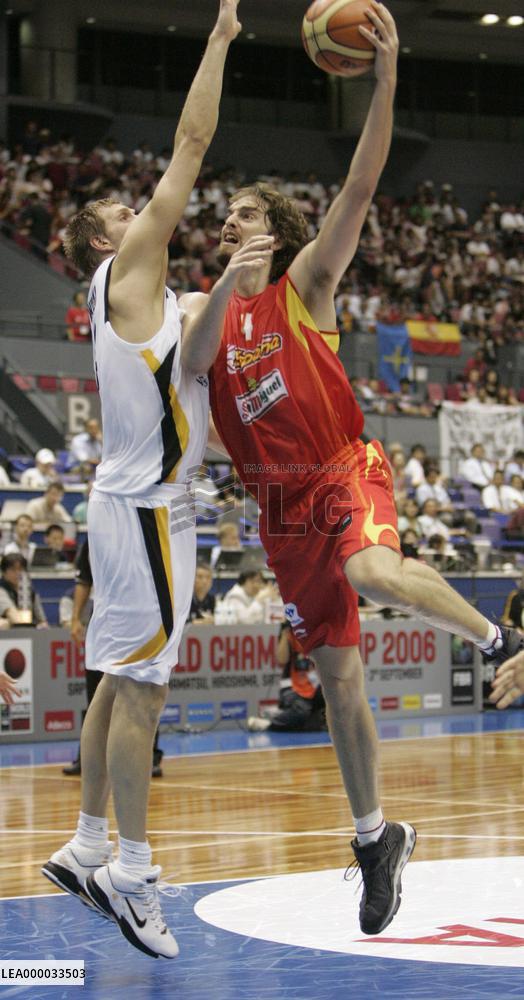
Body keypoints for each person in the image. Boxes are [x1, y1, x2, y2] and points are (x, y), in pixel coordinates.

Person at [181, 1, 523, 937]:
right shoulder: (207, 320)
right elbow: (185, 373)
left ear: (278, 231)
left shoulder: (306, 286)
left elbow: (364, 184)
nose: (230, 220)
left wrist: (386, 79)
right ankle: (375, 837)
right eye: (228, 215)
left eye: (246, 210)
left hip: (341, 471)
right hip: (279, 515)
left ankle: (502, 642)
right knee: (337, 679)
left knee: (373, 568)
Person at [42, 0, 241, 961]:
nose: (143, 207)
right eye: (126, 212)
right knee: (146, 690)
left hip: (132, 506)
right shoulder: (128, 264)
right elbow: (193, 142)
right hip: (149, 512)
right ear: (104, 241)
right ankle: (133, 872)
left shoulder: (134, 297)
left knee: (119, 684)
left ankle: (87, 844)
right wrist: (220, 38)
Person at [61, 541, 164, 778]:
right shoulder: (96, 531)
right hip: (105, 622)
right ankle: (88, 758)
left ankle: (151, 757)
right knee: (97, 694)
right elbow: (84, 579)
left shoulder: (149, 520)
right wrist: (76, 618)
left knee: (145, 692)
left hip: (144, 619)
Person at [248, 621, 325, 732]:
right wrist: (285, 633)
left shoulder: (319, 628)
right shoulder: (289, 630)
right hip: (294, 686)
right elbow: (281, 660)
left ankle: (299, 718)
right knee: (302, 712)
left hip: (318, 683)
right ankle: (271, 722)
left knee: (335, 701)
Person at [0, 553, 48, 627]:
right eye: (13, 570)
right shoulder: (1, 590)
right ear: (4, 572)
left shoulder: (30, 591)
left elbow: (42, 620)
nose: (17, 573)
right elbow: (13, 615)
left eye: (20, 569)